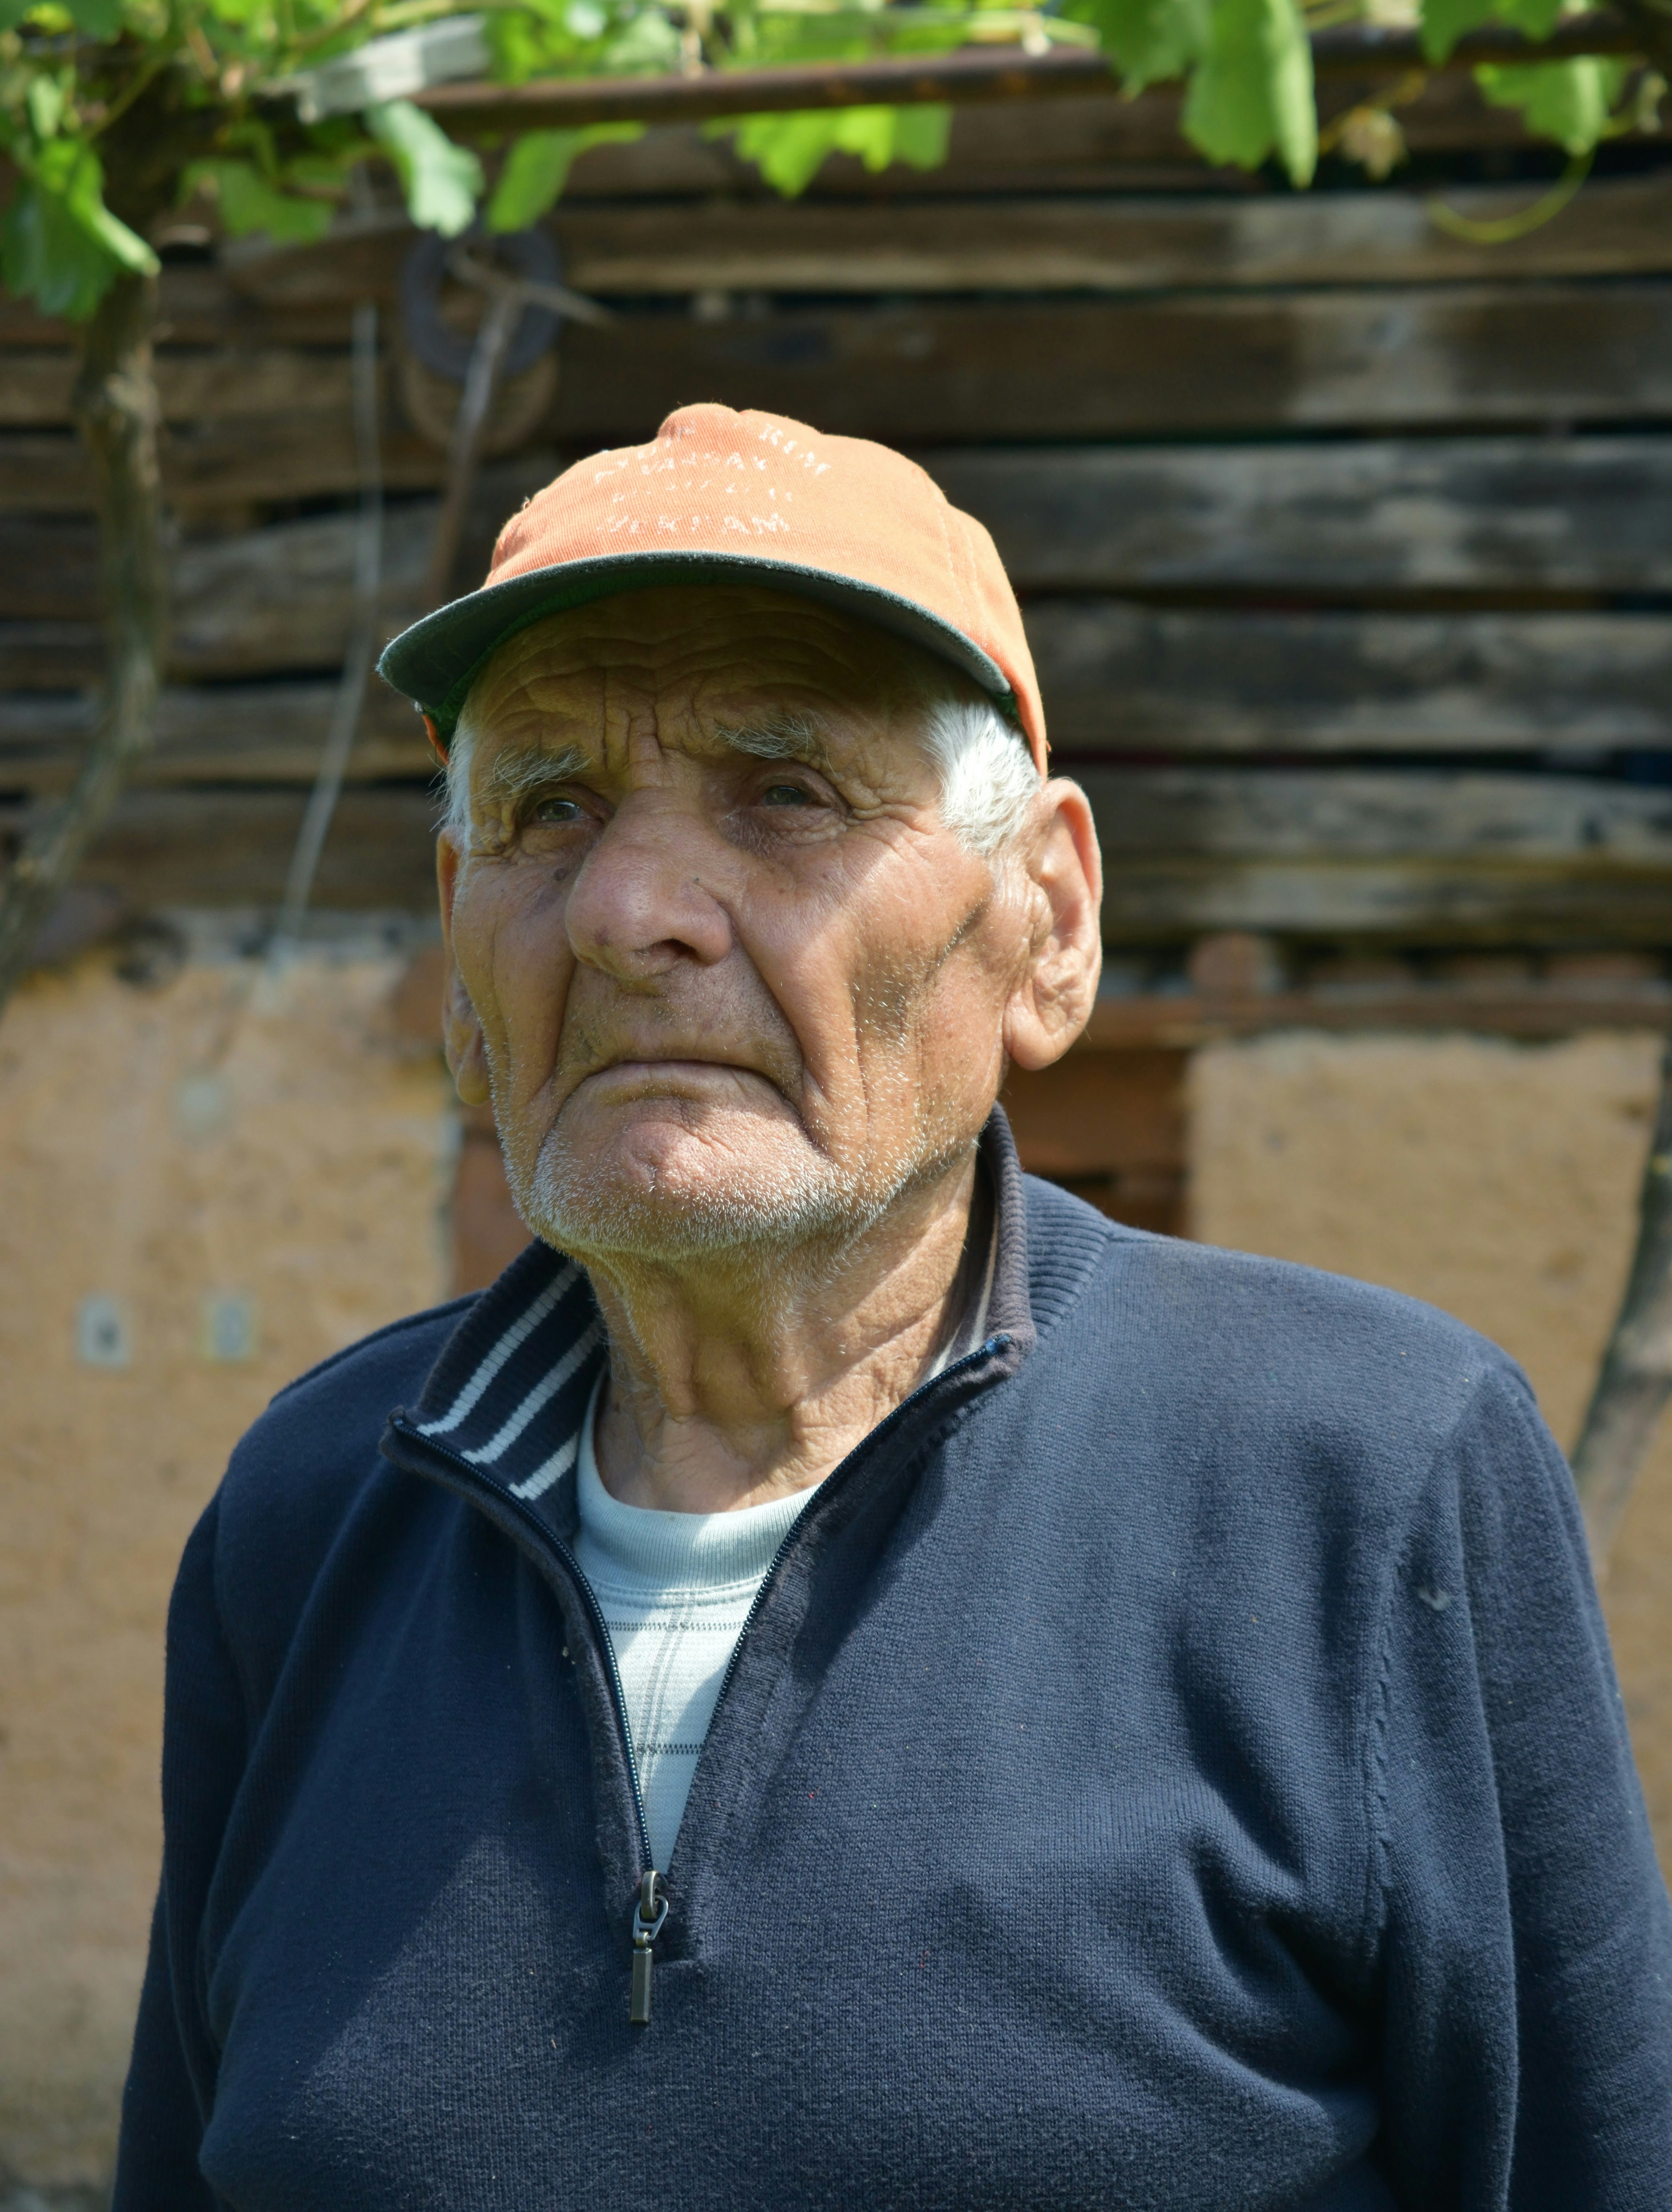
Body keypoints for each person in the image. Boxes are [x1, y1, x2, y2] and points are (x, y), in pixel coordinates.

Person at [115, 405, 1671, 2211]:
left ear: (1048, 923)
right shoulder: (312, 1519)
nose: (628, 911)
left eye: (786, 794)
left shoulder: (1360, 1475)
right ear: (462, 944)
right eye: (550, 808)